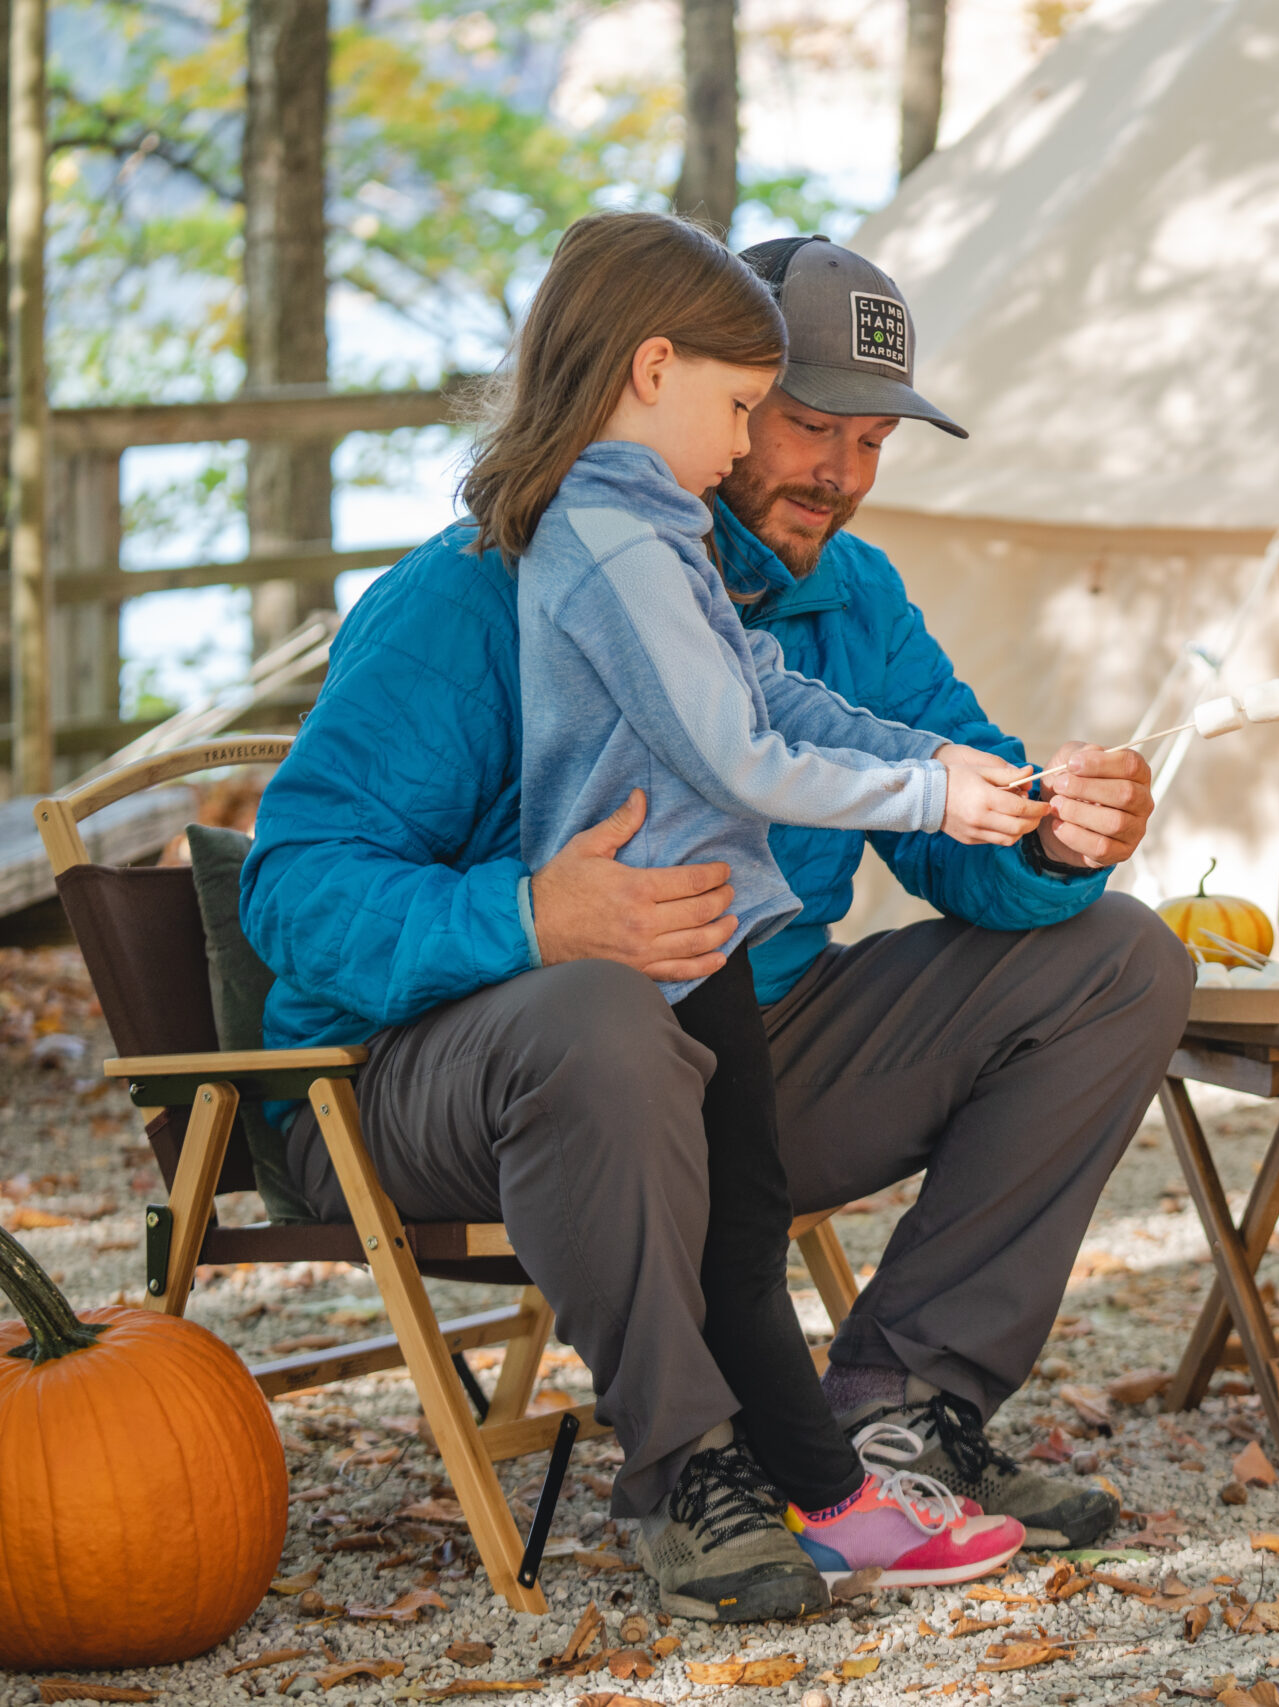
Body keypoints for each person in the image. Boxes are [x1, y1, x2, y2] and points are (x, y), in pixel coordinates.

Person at [239, 234, 1191, 1623]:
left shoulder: (848, 598)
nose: (841, 476)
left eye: (875, 442)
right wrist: (530, 917)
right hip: (425, 1088)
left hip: (744, 1050)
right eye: (802, 424)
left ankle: (896, 1420)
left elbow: (953, 825)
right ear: (685, 389)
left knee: (1119, 960)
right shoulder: (471, 593)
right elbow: (295, 889)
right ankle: (687, 1470)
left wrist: (1051, 827)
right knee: (603, 1004)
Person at [483, 209, 1042, 1606]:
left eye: (875, 443)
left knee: (744, 1226)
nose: (755, 452)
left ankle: (835, 1496)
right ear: (654, 369)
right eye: (758, 412)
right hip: (640, 952)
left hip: (707, 925)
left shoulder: (657, 523)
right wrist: (922, 797)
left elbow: (771, 694)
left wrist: (955, 769)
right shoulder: (609, 537)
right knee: (730, 1233)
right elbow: (735, 752)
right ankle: (773, 1488)